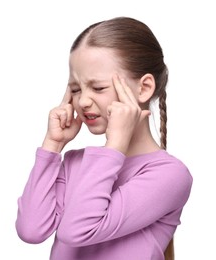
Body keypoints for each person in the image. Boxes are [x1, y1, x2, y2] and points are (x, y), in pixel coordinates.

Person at [16, 16, 193, 260]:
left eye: (98, 88)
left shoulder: (169, 174)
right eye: (76, 89)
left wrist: (115, 144)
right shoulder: (75, 163)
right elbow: (31, 230)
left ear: (143, 89)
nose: (83, 100)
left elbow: (77, 230)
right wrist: (52, 146)